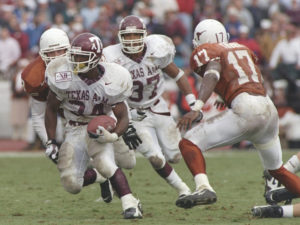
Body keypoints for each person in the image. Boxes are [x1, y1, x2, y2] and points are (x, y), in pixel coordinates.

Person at [174, 19, 300, 209]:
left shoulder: (207, 51)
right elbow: (248, 76)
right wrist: (228, 97)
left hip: (247, 107)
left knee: (188, 142)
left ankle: (203, 187)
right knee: (277, 170)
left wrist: (197, 107)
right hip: (267, 106)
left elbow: (213, 72)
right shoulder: (241, 48)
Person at [44, 32, 142, 219]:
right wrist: (51, 141)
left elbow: (122, 116)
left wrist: (113, 136)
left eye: (82, 57)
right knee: (71, 184)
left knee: (108, 163)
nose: (75, 61)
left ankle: (131, 204)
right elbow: (50, 108)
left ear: (95, 58)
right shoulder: (63, 74)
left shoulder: (112, 78)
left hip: (100, 125)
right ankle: (100, 177)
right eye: (74, 56)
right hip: (75, 128)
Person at [103, 15, 195, 204]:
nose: (131, 40)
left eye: (135, 35)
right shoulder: (112, 58)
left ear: (144, 35)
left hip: (157, 106)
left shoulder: (156, 50)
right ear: (120, 37)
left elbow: (178, 75)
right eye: (127, 37)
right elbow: (108, 94)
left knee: (175, 156)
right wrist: (123, 121)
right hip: (134, 113)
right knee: (154, 157)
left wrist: (193, 102)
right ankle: (183, 190)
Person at [21, 28, 113, 203]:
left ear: (69, 49)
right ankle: (101, 177)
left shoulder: (84, 60)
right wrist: (49, 143)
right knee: (68, 169)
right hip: (67, 116)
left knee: (113, 156)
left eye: (61, 51)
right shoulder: (35, 76)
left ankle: (116, 182)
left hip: (95, 111)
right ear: (41, 54)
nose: (56, 56)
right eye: (50, 52)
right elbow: (39, 115)